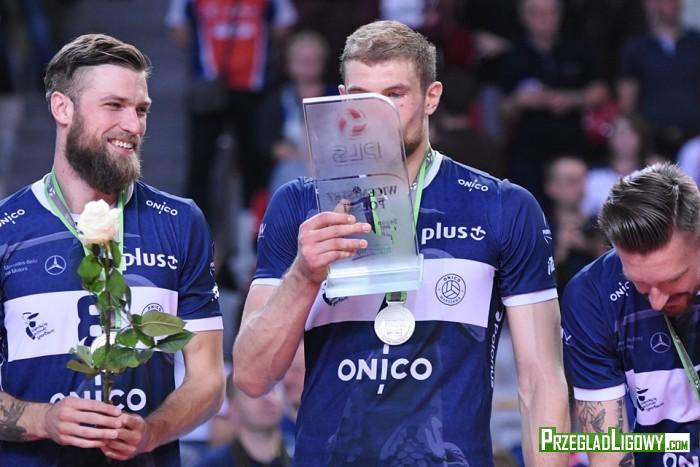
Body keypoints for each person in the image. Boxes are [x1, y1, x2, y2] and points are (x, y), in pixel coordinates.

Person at [234, 20, 569, 466]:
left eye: (394, 95)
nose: (376, 116)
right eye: (361, 98)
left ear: (432, 97)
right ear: (342, 99)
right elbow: (252, 377)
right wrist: (304, 275)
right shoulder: (299, 206)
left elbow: (542, 381)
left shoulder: (502, 206)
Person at [0, 34, 225, 466]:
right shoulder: (6, 228)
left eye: (141, 110)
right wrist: (43, 419)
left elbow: (208, 380)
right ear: (62, 108)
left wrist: (152, 432)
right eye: (114, 106)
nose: (134, 126)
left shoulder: (180, 222)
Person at [561, 163, 700, 466]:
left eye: (671, 280)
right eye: (641, 284)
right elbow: (608, 450)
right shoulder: (592, 295)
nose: (657, 302)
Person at [194, 374, 290, 467]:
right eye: (253, 393)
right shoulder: (213, 464)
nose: (268, 398)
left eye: (271, 389)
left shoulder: (297, 453)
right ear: (233, 410)